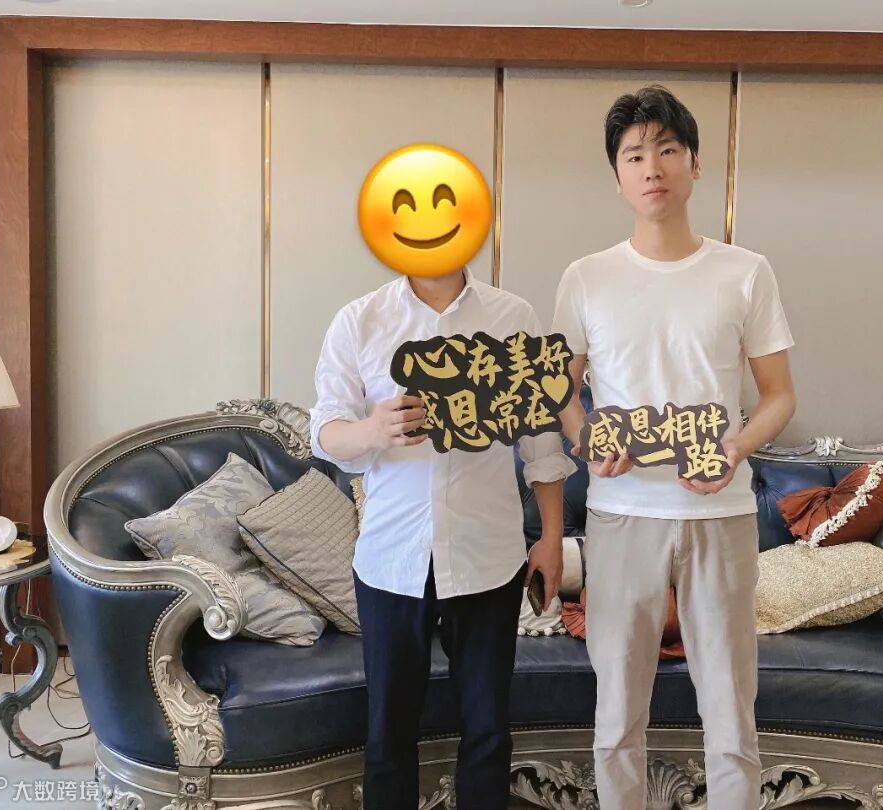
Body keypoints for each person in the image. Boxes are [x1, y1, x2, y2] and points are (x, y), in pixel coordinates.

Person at [553, 84, 797, 809]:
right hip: (621, 513)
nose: (651, 166)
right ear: (618, 176)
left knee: (730, 714)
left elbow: (779, 396)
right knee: (616, 717)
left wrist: (734, 449)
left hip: (719, 514)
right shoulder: (586, 277)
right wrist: (587, 440)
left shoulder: (745, 272)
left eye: (666, 149)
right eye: (634, 155)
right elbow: (560, 393)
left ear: (694, 164)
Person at [311, 264, 575, 810]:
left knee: (488, 728)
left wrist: (551, 538)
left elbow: (541, 444)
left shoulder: (513, 317)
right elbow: (325, 432)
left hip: (488, 556)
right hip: (391, 560)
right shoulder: (360, 320)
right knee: (389, 730)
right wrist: (374, 429)